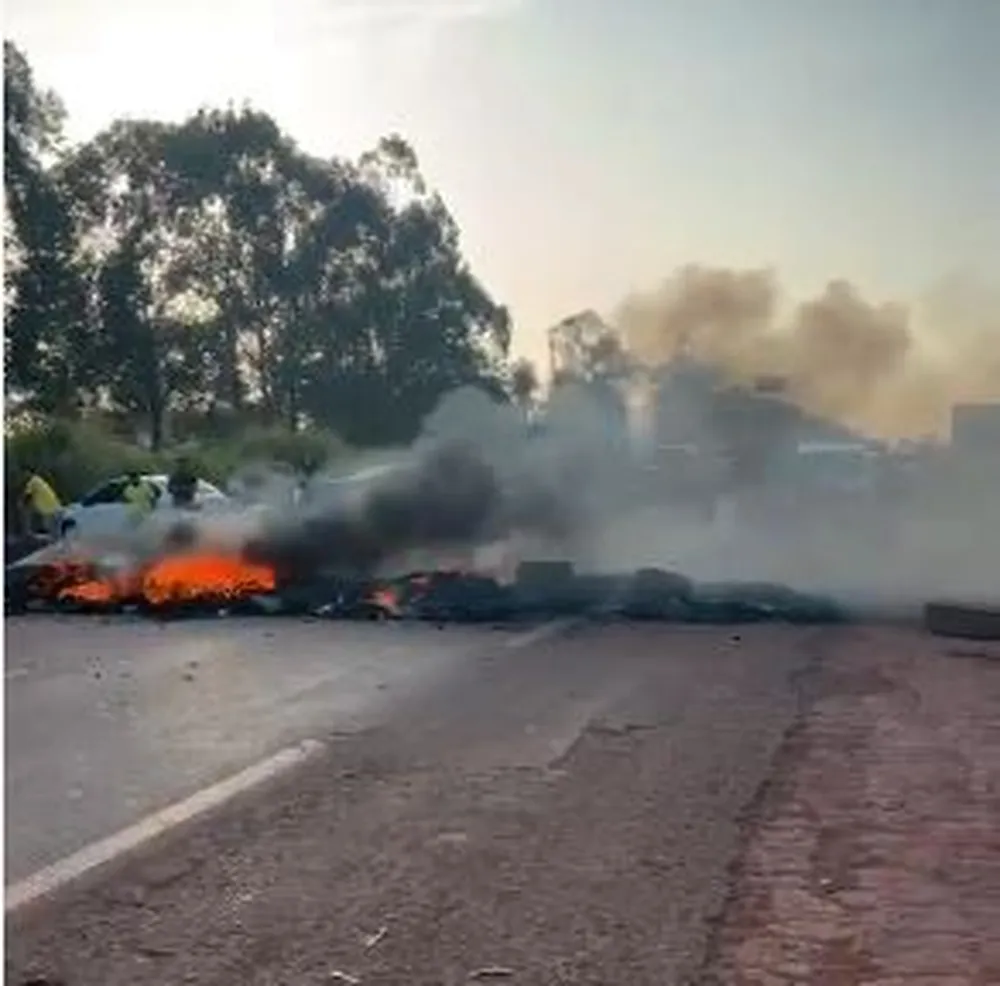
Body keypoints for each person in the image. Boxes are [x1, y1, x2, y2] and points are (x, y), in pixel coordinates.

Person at [21, 469, 62, 538]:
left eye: (25, 473)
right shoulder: (38, 480)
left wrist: (22, 504)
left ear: (29, 472)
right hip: (56, 507)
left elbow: (28, 496)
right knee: (57, 533)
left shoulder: (33, 482)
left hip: (49, 510)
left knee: (53, 533)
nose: (24, 476)